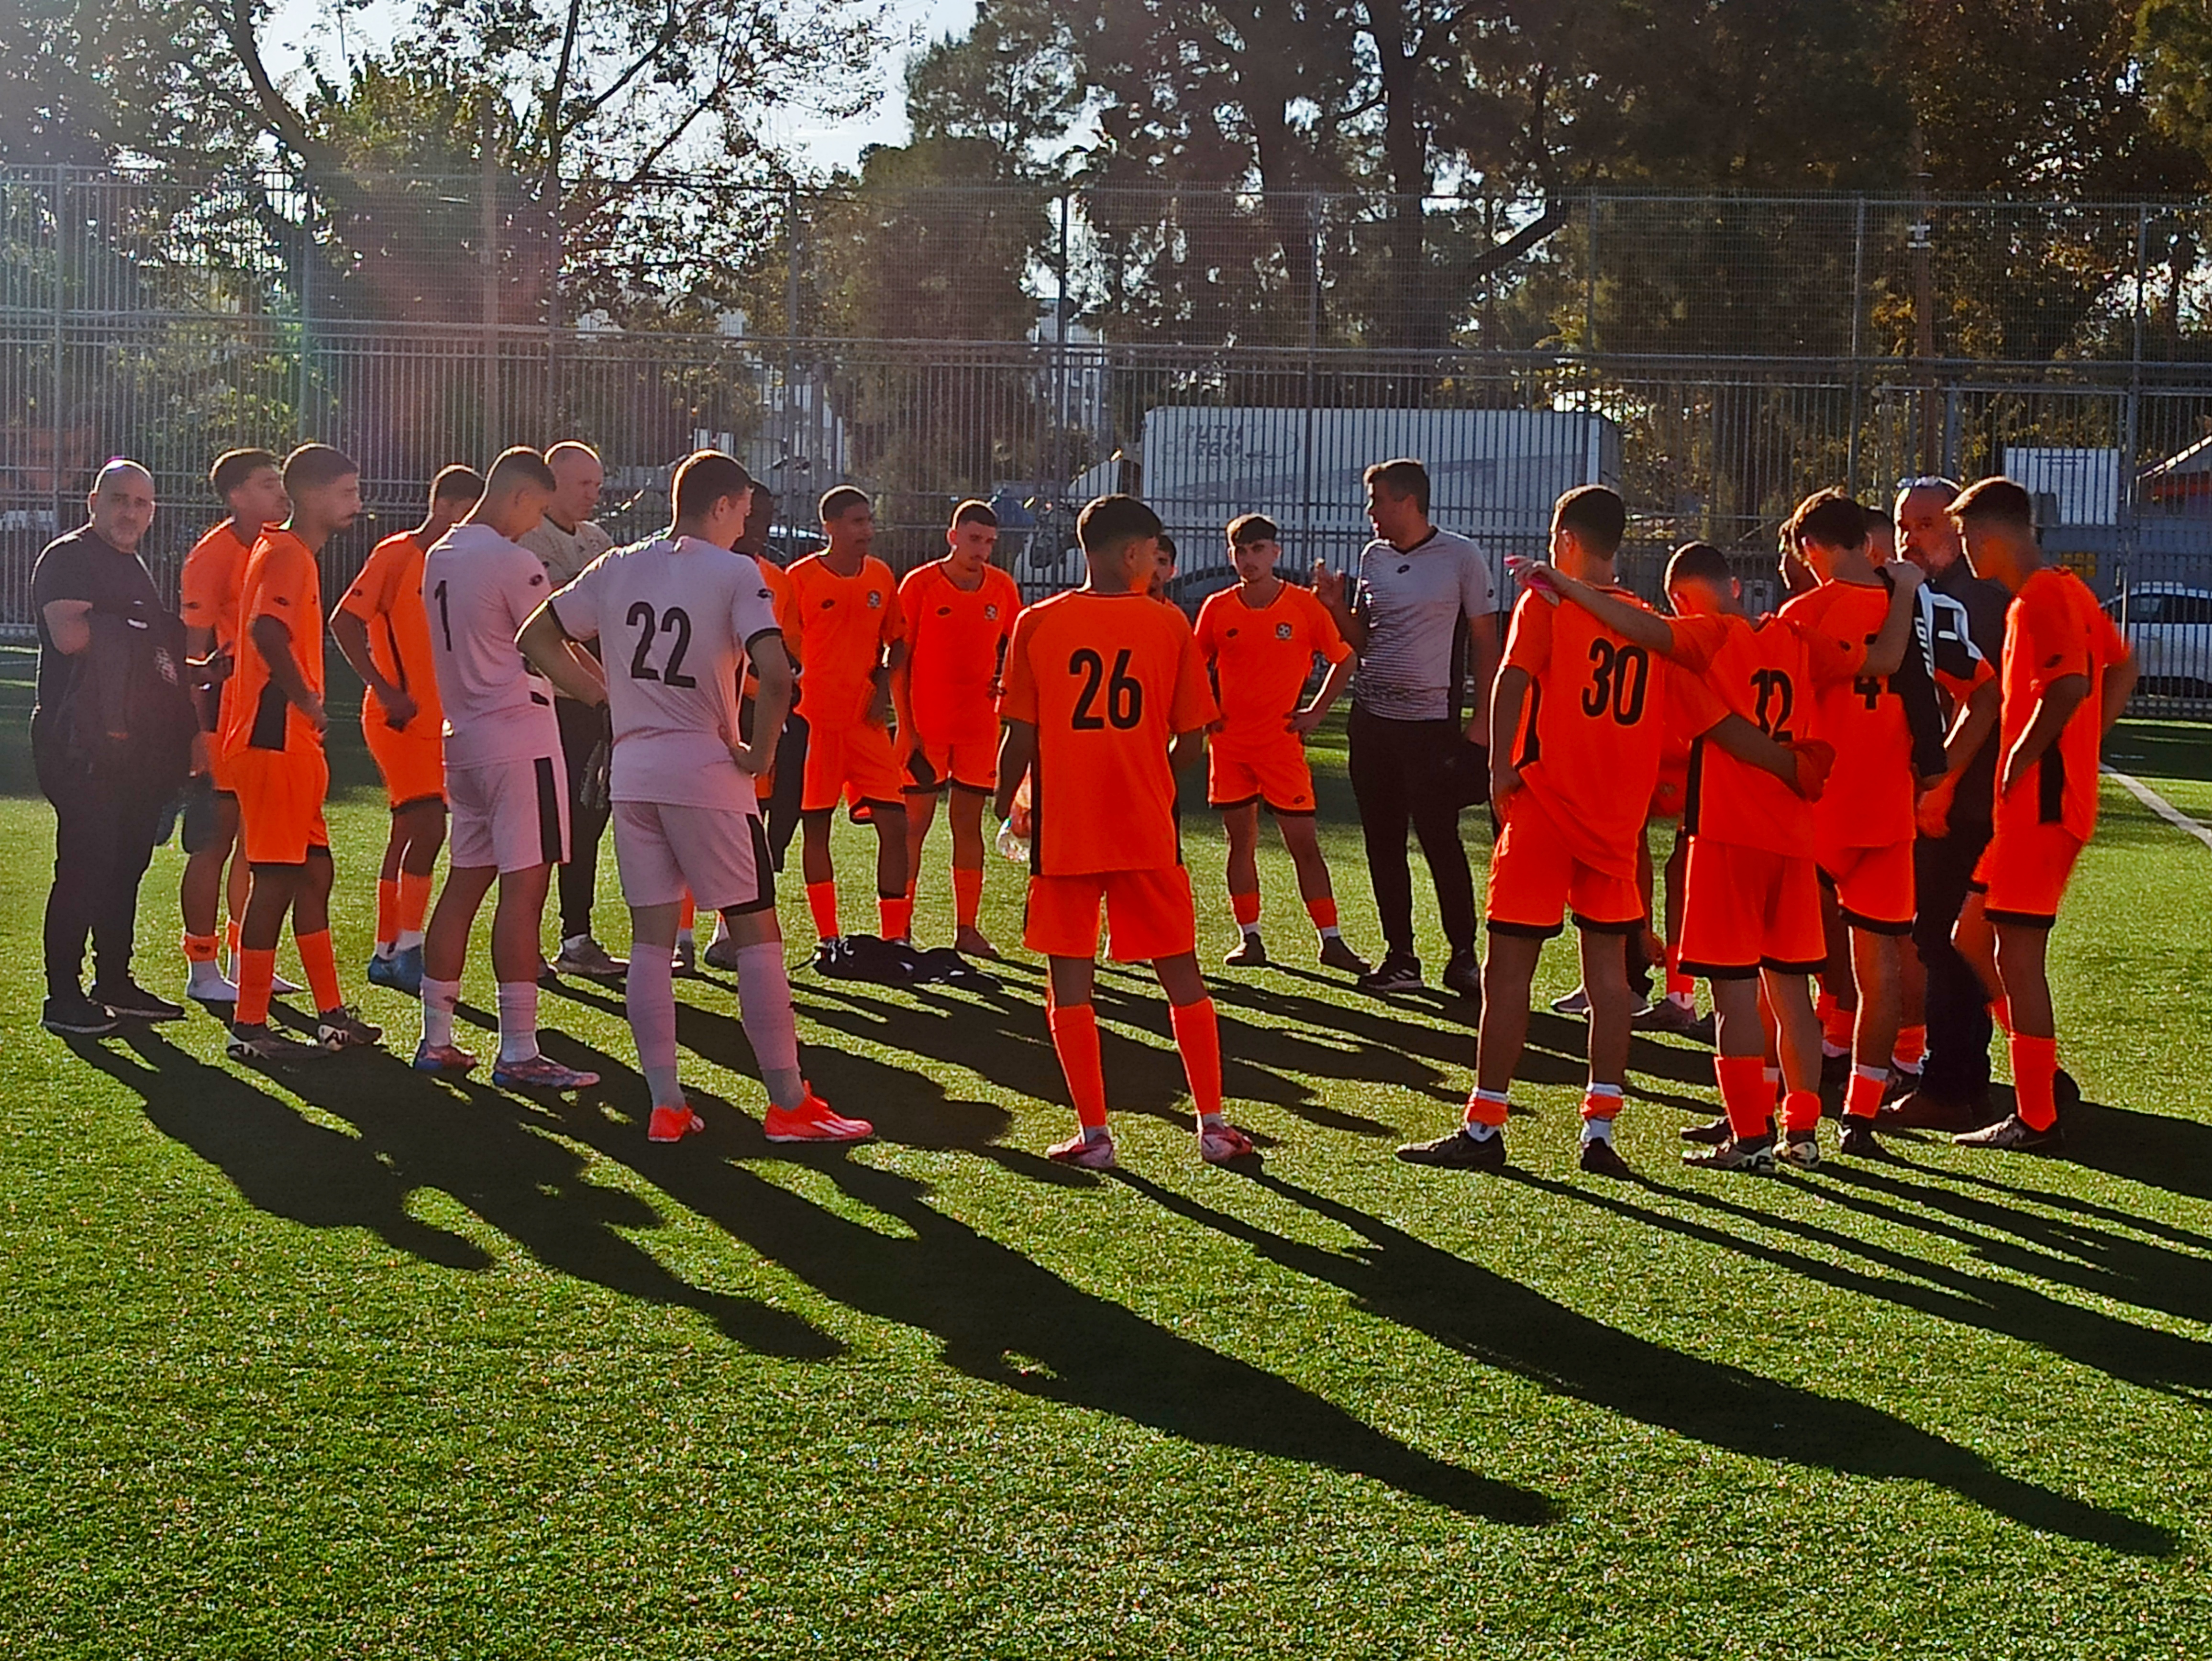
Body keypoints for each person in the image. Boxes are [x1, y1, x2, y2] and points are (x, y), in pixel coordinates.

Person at [1395, 488, 1808, 1177]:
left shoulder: (1549, 600)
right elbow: (1713, 722)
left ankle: (1484, 1123)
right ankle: (1600, 1131)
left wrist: (1499, 770)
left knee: (1509, 974)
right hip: (1617, 823)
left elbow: (1511, 679)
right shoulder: (1647, 624)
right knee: (1610, 980)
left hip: (1546, 806)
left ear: (1565, 540)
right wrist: (1790, 765)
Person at [520, 450, 870, 1144]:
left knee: (650, 946)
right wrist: (758, 755)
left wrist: (602, 692)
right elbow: (777, 676)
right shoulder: (736, 572)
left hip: (636, 773)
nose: (748, 524)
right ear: (721, 506)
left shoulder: (619, 562)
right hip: (707, 775)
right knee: (757, 937)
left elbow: (537, 633)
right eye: (743, 511)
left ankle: (667, 1104)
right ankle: (788, 1103)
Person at [1522, 542, 1839, 1171]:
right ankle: (1800, 1132)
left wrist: (1569, 588)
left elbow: (1644, 634)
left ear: (1682, 603)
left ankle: (1749, 1138)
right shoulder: (1796, 640)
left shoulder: (1707, 640)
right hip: (1794, 838)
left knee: (1734, 1000)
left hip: (1729, 835)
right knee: (1793, 995)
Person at [994, 494, 1251, 1170]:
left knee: (1068, 980)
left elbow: (1019, 735)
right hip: (1143, 823)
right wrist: (1149, 777)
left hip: (1065, 827)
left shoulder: (1037, 622)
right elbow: (1192, 740)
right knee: (1181, 972)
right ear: (1133, 554)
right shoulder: (1168, 625)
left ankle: (1095, 1135)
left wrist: (1006, 804)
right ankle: (1215, 1126)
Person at [1947, 478, 2137, 1153]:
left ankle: (2036, 1115)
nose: (1964, 550)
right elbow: (2123, 665)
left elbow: (2072, 686)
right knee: (1970, 935)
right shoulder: (2059, 592)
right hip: (2032, 808)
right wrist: (2084, 742)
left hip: (2042, 807)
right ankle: (2043, 1078)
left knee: (2016, 955)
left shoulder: (2047, 596)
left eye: (1967, 537)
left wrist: (2025, 759)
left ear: (1991, 537)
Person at [410, 448, 598, 1091]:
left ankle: (436, 1039)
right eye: (536, 512)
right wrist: (614, 699)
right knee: (525, 889)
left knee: (464, 884)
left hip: (463, 738)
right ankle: (518, 1049)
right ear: (520, 498)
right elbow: (553, 647)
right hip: (519, 738)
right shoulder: (514, 561)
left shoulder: (442, 552)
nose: (532, 527)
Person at [1774, 489, 1937, 1156]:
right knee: (1882, 971)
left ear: (1813, 549)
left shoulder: (1802, 614)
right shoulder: (1906, 605)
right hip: (1887, 807)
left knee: (1781, 974)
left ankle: (1788, 1115)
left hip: (1819, 810)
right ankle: (1861, 1115)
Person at [220, 445, 384, 1063]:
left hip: (290, 746)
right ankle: (250, 1026)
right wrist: (307, 699)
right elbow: (267, 630)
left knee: (314, 874)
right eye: (347, 493)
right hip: (275, 743)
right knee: (279, 879)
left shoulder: (289, 554)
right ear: (312, 496)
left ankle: (331, 1015)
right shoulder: (287, 553)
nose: (357, 504)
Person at [1313, 458, 1496, 1000]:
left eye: (1377, 500)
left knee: (1441, 841)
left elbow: (1486, 643)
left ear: (1407, 501)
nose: (1370, 512)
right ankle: (1401, 957)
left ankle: (1463, 956)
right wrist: (1333, 608)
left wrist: (1481, 722)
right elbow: (1364, 642)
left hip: (1430, 727)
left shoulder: (1461, 556)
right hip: (1372, 724)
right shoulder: (1373, 557)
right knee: (1382, 844)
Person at [31, 460, 197, 1034]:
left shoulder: (131, 565)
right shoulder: (69, 556)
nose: (130, 512)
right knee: (85, 864)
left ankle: (114, 983)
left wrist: (190, 665)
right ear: (94, 502)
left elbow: (143, 650)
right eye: (120, 499)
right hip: (78, 741)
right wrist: (139, 630)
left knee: (127, 863)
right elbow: (73, 636)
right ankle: (62, 997)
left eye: (142, 503)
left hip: (134, 744)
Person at [1884, 476, 2013, 1129]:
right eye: (1906, 523)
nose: (1913, 537)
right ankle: (1970, 1075)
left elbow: (1984, 702)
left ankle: (1948, 1082)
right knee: (1955, 941)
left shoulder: (1976, 600)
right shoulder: (1936, 593)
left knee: (1944, 940)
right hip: (1968, 795)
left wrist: (1941, 783)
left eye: (1927, 523)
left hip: (1973, 800)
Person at [331, 465, 484, 995]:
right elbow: (344, 620)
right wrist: (385, 686)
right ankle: (411, 948)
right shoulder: (397, 555)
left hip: (439, 722)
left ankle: (385, 949)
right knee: (427, 827)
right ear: (445, 506)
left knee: (407, 830)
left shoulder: (460, 567)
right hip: (397, 718)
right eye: (469, 510)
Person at [1192, 513, 1367, 974]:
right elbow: (1193, 667)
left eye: (1258, 549)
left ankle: (1331, 940)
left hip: (1280, 747)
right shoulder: (1218, 607)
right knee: (1240, 844)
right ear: (1231, 556)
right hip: (1230, 748)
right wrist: (1208, 711)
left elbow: (1344, 661)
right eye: (1241, 551)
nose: (1249, 559)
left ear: (1276, 553)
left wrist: (1317, 712)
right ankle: (1249, 938)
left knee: (1304, 846)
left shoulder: (1304, 608)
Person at [177, 448, 289, 1004]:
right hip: (222, 713)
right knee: (215, 840)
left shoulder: (278, 547)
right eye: (269, 483)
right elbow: (189, 655)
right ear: (236, 495)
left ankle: (251, 960)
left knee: (256, 842)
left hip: (265, 715)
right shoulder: (213, 554)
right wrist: (197, 732)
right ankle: (202, 965)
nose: (281, 492)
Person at [893, 498, 1021, 956]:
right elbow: (898, 662)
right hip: (927, 728)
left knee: (968, 826)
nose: (981, 550)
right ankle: (898, 929)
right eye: (974, 539)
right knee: (913, 827)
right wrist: (906, 729)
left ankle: (967, 929)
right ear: (953, 537)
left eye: (989, 542)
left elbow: (1019, 650)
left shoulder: (1002, 587)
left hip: (978, 728)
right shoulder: (921, 584)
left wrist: (1004, 686)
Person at [788, 487, 911, 954]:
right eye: (857, 522)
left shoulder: (880, 575)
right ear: (830, 527)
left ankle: (896, 936)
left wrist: (881, 687)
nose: (868, 531)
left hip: (865, 724)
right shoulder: (800, 579)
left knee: (894, 826)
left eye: (869, 521)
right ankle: (827, 937)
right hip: (814, 722)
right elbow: (782, 647)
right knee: (816, 828)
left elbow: (897, 640)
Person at [518, 440, 624, 981]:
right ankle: (525, 941)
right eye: (584, 484)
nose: (594, 494)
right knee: (540, 828)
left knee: (589, 819)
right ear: (552, 484)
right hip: (545, 703)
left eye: (598, 484)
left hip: (591, 699)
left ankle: (576, 936)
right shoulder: (529, 539)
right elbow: (561, 616)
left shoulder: (598, 540)